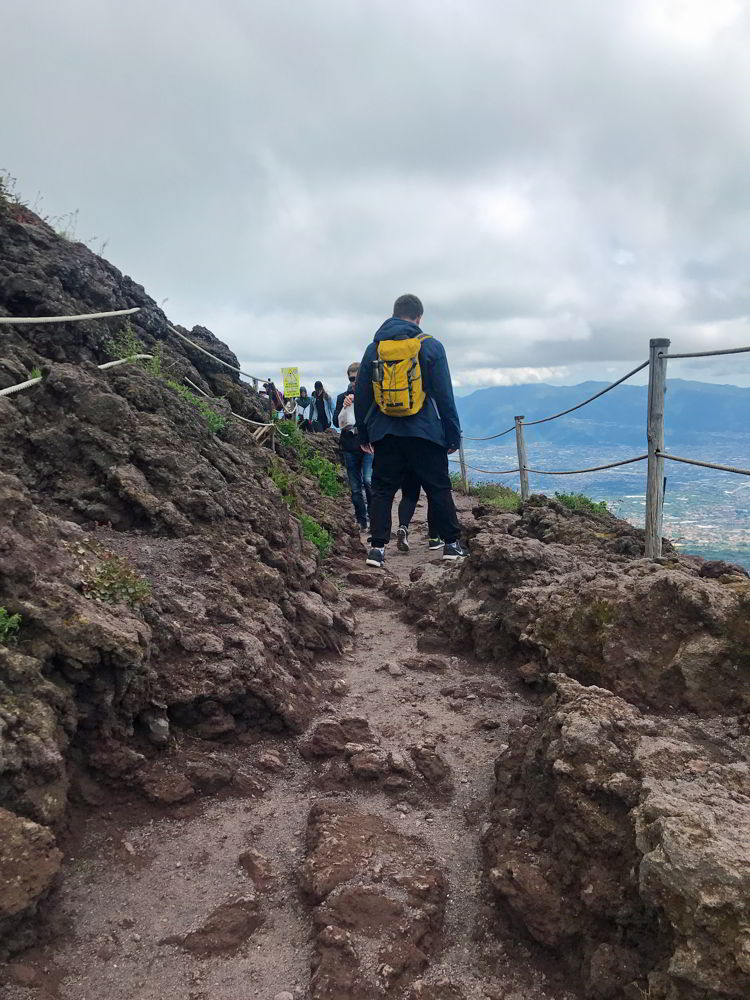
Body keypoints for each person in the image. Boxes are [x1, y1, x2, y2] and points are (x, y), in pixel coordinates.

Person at [353, 293, 466, 567]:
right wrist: (453, 434)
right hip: (426, 432)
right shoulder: (430, 346)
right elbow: (444, 394)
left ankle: (377, 549)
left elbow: (363, 394)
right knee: (438, 488)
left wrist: (364, 434)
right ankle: (450, 544)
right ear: (418, 318)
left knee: (382, 490)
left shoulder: (374, 348)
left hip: (387, 433)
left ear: (393, 314)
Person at [333, 361, 372, 531]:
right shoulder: (342, 397)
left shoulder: (370, 395)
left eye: (357, 378)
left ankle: (374, 516)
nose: (354, 381)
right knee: (355, 488)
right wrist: (344, 407)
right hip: (350, 445)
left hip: (368, 445)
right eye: (351, 378)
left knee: (368, 481)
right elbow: (336, 422)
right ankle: (362, 520)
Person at [395, 472, 443, 552]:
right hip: (427, 462)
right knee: (433, 495)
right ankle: (434, 538)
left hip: (408, 462)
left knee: (408, 496)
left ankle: (403, 527)